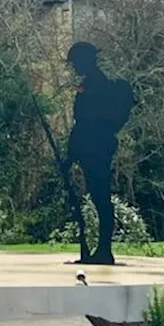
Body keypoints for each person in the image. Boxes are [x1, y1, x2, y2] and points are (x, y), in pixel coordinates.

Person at [65, 41, 134, 265]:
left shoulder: (96, 86)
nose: (74, 67)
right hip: (91, 146)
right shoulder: (92, 83)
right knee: (99, 197)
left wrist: (71, 154)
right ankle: (99, 249)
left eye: (76, 63)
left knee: (101, 198)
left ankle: (104, 249)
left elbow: (85, 123)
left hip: (94, 147)